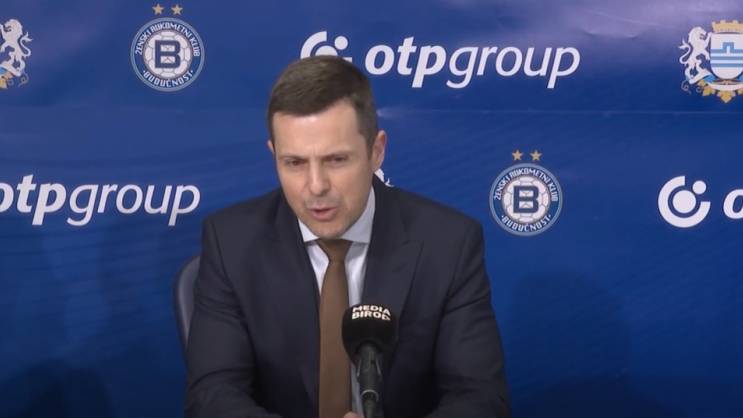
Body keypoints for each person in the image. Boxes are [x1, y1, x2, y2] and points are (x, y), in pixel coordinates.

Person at [185, 55, 510, 418]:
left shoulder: (448, 245)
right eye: (294, 163)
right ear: (273, 155)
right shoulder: (231, 244)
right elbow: (213, 396)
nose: (316, 186)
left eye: (336, 160)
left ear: (376, 151)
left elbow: (480, 399)